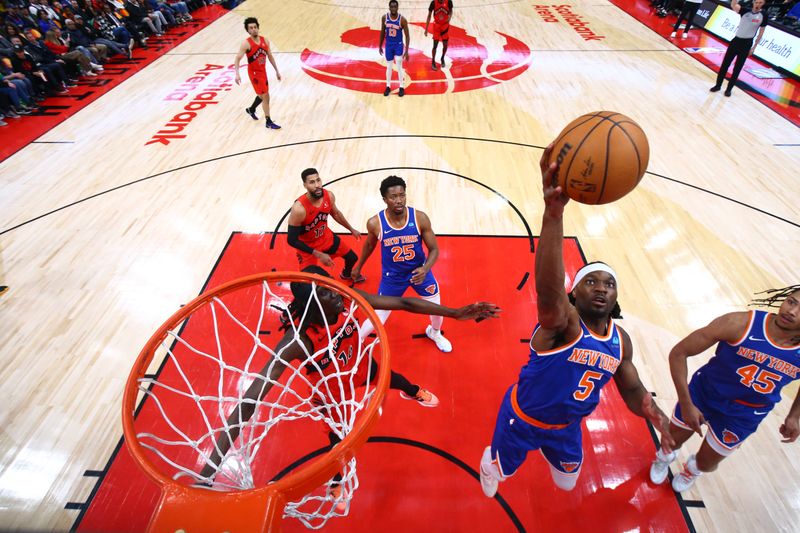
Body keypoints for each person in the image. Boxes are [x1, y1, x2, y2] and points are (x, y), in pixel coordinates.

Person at [479, 144, 674, 496]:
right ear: (574, 294)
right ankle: (489, 461)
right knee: (501, 472)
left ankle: (547, 455)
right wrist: (553, 216)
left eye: (609, 283)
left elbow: (632, 390)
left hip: (567, 426)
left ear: (615, 297)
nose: (601, 287)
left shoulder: (621, 341)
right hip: (522, 420)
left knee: (567, 483)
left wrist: (660, 419)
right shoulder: (563, 325)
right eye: (591, 281)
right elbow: (549, 289)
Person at [197, 265, 501, 482]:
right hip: (330, 392)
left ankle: (413, 393)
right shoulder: (298, 339)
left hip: (357, 365)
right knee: (337, 441)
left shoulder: (343, 298)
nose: (337, 294)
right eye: (327, 293)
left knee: (394, 379)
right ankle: (338, 482)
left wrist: (456, 313)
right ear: (312, 304)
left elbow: (404, 303)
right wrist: (208, 471)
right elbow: (249, 402)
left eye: (333, 286)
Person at [649, 285, 800, 492]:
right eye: (791, 302)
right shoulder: (740, 323)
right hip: (704, 393)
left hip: (745, 413)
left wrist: (794, 416)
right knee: (671, 440)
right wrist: (686, 403)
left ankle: (692, 470)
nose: (791, 311)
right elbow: (679, 353)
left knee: (707, 463)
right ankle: (663, 458)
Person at [351, 175, 453, 353]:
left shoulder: (420, 218)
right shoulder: (375, 223)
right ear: (384, 199)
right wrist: (358, 266)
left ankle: (434, 333)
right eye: (393, 197)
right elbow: (369, 245)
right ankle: (354, 342)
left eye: (402, 195)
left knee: (437, 310)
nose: (399, 200)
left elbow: (434, 249)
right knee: (378, 315)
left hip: (420, 273)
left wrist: (425, 268)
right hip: (393, 278)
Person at [287, 168, 364, 283]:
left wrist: (351, 229)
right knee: (310, 282)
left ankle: (346, 274)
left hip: (325, 237)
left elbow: (336, 214)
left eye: (318, 180)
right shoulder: (299, 209)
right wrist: (318, 254)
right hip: (308, 247)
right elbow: (291, 240)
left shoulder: (329, 196)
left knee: (352, 258)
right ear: (305, 185)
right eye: (312, 182)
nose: (317, 185)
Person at [710, 0, 767, 97]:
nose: (758, 4)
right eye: (757, 2)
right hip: (736, 41)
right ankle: (718, 85)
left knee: (737, 68)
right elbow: (733, 5)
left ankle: (729, 89)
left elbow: (761, 33)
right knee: (725, 65)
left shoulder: (763, 16)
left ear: (763, 4)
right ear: (753, 2)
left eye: (760, 3)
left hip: (747, 43)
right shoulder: (745, 11)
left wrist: (753, 48)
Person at [235, 16, 281, 129]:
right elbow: (237, 59)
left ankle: (251, 109)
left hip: (262, 71)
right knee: (266, 95)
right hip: (254, 73)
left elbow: (270, 56)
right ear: (248, 30)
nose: (254, 29)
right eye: (251, 28)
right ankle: (268, 121)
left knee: (261, 95)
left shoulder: (265, 40)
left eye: (255, 27)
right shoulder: (246, 44)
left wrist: (276, 70)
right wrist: (237, 73)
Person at [378, 0, 409, 97]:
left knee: (399, 65)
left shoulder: (402, 20)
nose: (393, 9)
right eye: (392, 7)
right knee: (389, 66)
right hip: (389, 45)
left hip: (398, 44)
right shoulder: (384, 18)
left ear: (398, 7)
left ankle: (401, 86)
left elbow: (407, 36)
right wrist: (380, 45)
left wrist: (407, 51)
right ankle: (388, 86)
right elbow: (382, 32)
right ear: (389, 7)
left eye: (395, 7)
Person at [424, 0, 453, 70]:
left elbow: (451, 11)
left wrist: (449, 19)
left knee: (445, 44)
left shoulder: (448, 2)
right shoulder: (433, 3)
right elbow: (429, 16)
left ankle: (442, 58)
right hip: (437, 25)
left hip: (445, 25)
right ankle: (433, 61)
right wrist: (426, 28)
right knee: (435, 45)